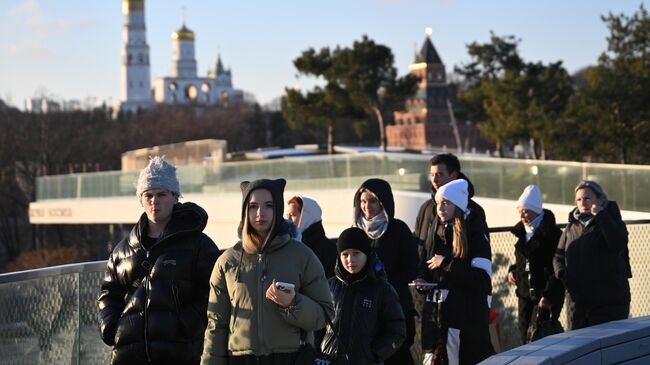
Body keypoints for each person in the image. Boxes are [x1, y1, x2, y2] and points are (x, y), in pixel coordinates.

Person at [98, 156, 220, 365]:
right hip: (128, 355)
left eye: (162, 194)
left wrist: (185, 325)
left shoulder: (199, 244)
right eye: (149, 195)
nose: (155, 201)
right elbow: (109, 292)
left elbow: (214, 292)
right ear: (141, 199)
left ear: (174, 197)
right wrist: (111, 327)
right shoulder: (123, 249)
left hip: (180, 355)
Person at [201, 178, 334, 365]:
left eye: (268, 206)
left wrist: (293, 303)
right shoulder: (227, 262)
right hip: (241, 360)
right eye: (253, 206)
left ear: (278, 209)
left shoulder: (302, 255)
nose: (260, 213)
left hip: (292, 358)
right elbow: (216, 325)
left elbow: (324, 315)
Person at [412, 153, 489, 364]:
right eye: (432, 175)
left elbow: (481, 279)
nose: (434, 179)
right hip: (433, 308)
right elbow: (422, 252)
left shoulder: (473, 217)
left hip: (462, 315)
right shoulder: (427, 209)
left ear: (454, 175)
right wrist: (421, 278)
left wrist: (445, 264)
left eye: (440, 174)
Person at [353, 178, 419, 365]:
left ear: (384, 202)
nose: (367, 206)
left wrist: (385, 289)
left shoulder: (398, 229)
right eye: (363, 201)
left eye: (373, 201)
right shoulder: (355, 232)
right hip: (365, 313)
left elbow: (411, 267)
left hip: (395, 309)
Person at [320, 227, 406, 364]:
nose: (350, 260)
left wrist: (374, 354)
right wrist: (319, 352)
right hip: (330, 361)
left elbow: (397, 330)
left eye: (356, 253)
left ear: (367, 254)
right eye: (345, 254)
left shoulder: (382, 289)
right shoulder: (329, 286)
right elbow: (316, 324)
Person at [553, 180, 631, 330]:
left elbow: (617, 243)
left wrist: (601, 215)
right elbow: (558, 256)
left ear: (600, 199)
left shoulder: (612, 221)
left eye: (587, 198)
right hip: (577, 305)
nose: (583, 203)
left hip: (609, 303)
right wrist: (564, 275)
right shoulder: (571, 227)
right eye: (579, 199)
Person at [507, 185, 564, 343]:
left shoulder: (553, 234)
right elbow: (523, 260)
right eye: (519, 211)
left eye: (526, 211)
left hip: (545, 294)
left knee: (541, 337)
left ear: (536, 210)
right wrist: (513, 271)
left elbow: (557, 267)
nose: (522, 215)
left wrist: (548, 295)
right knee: (524, 335)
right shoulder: (522, 233)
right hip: (525, 294)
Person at [286, 195, 337, 279]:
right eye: (287, 215)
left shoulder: (329, 250)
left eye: (293, 215)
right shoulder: (289, 245)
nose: (288, 220)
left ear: (306, 216)